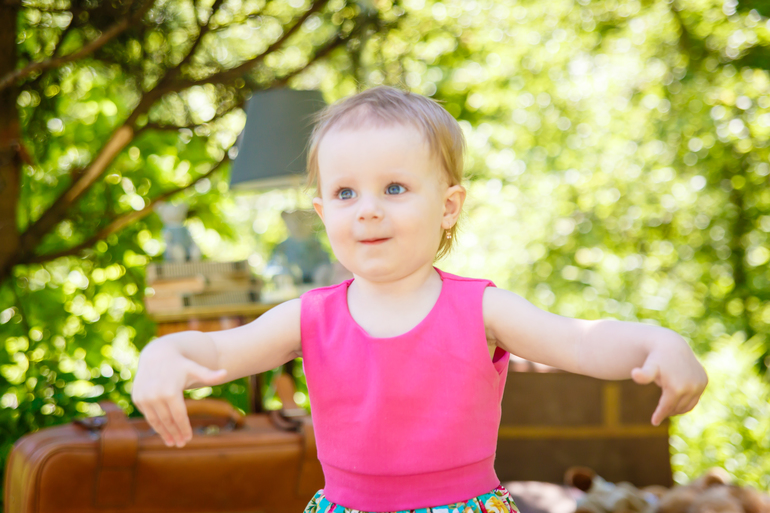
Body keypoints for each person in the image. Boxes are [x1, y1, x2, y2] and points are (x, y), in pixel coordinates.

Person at [131, 85, 708, 513]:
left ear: (448, 206)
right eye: (346, 192)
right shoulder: (309, 317)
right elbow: (218, 353)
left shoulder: (480, 310)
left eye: (394, 188)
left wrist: (656, 342)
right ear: (322, 213)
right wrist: (164, 355)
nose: (368, 210)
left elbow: (579, 342)